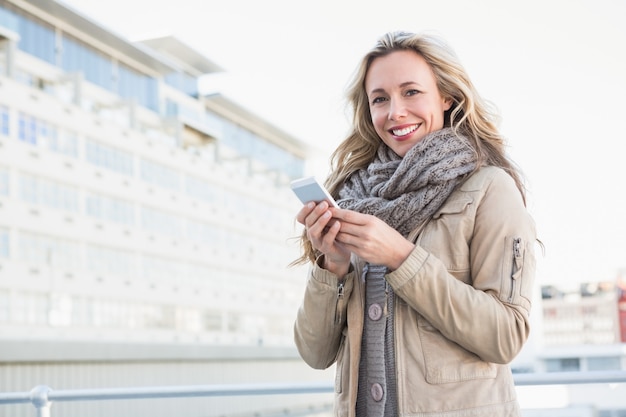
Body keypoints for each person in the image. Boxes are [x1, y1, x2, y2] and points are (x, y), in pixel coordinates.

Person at [292, 31, 537, 417]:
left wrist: (401, 257)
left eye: (411, 92)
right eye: (380, 99)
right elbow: (315, 353)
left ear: (446, 97)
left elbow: (505, 337)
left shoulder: (490, 188)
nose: (395, 112)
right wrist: (333, 266)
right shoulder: (353, 199)